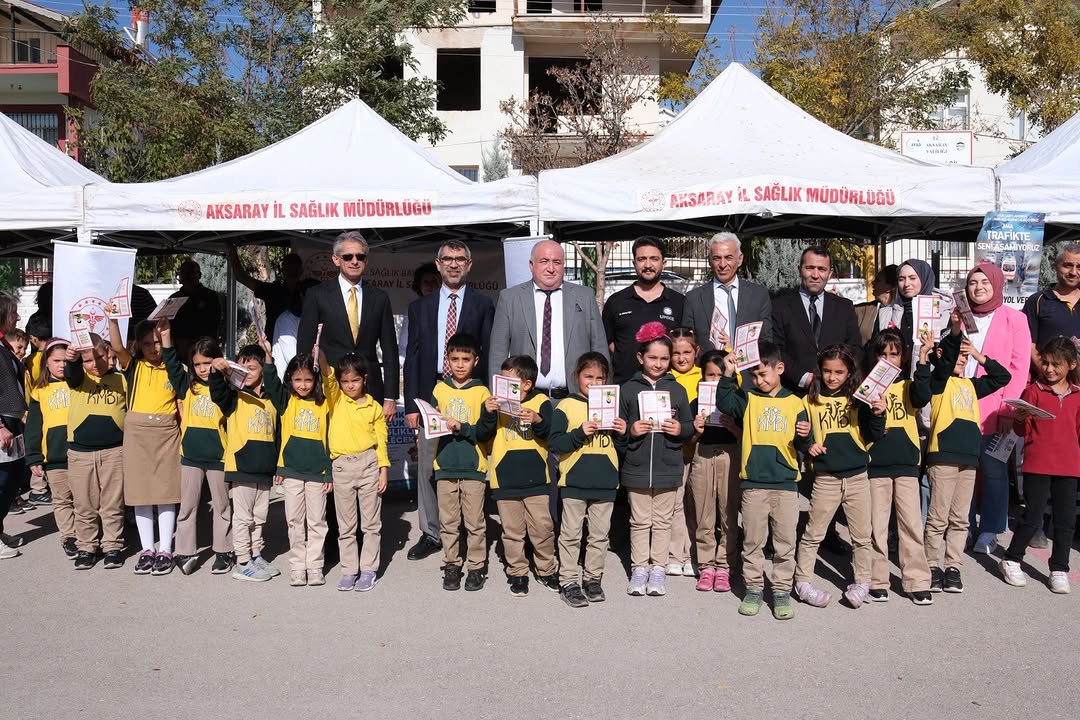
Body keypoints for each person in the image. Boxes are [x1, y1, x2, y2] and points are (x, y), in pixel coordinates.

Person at [403, 241, 494, 562]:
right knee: (428, 465)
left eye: (460, 260)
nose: (454, 265)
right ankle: (431, 532)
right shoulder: (420, 308)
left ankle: (471, 531)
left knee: (468, 464)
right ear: (438, 264)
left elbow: (489, 355)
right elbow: (412, 359)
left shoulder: (483, 306)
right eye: (447, 260)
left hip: (470, 396)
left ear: (469, 265)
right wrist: (412, 406)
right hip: (433, 396)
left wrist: (487, 401)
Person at [716, 341, 811, 620]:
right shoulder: (748, 398)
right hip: (754, 485)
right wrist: (728, 373)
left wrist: (805, 435)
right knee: (753, 541)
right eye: (753, 375)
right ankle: (754, 587)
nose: (758, 380)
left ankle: (781, 590)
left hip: (785, 485)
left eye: (762, 373)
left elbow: (805, 445)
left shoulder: (796, 403)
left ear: (779, 368)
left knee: (785, 542)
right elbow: (724, 402)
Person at [923, 311, 1010, 594]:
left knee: (961, 519)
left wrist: (977, 353)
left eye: (965, 356)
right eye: (958, 354)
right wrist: (956, 330)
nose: (962, 358)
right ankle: (932, 565)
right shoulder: (938, 382)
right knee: (938, 517)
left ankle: (953, 567)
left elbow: (1002, 376)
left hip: (968, 459)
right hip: (943, 456)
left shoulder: (972, 386)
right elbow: (946, 358)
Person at [793, 345, 885, 610]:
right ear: (820, 372)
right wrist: (808, 442)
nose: (833, 377)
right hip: (826, 477)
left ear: (849, 373)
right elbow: (800, 436)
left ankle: (862, 582)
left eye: (839, 372)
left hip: (858, 476)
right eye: (827, 372)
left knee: (862, 536)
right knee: (813, 534)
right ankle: (803, 582)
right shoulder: (808, 400)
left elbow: (874, 434)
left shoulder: (860, 398)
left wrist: (879, 413)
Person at [998, 336, 1080, 594]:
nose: (1049, 369)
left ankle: (1059, 568)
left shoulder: (1078, 396)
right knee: (1032, 517)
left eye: (1056, 364)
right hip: (1037, 464)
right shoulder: (1033, 391)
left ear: (1072, 365)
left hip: (1069, 466)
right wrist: (1020, 418)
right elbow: (1022, 432)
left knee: (1065, 520)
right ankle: (1011, 558)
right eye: (1045, 363)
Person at [619, 322, 694, 598]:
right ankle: (639, 568)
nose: (659, 363)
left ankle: (658, 569)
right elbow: (620, 427)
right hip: (636, 467)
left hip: (668, 466)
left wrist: (680, 429)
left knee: (662, 522)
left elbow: (687, 425)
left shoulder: (678, 390)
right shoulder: (628, 389)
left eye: (665, 358)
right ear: (640, 358)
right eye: (653, 357)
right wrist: (631, 429)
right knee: (639, 521)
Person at [960, 262, 1031, 555]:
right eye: (973, 283)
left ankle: (990, 529)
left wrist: (1006, 410)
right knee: (962, 470)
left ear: (997, 285)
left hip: (995, 410)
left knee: (993, 471)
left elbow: (1019, 367)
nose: (978, 288)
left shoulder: (1014, 320)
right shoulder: (960, 317)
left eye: (985, 283)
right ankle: (961, 526)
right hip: (961, 407)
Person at [549, 352, 626, 607]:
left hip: (605, 482)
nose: (594, 382)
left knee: (599, 536)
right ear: (576, 377)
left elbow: (621, 446)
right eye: (588, 376)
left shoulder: (611, 404)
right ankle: (568, 581)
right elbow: (555, 442)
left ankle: (593, 578)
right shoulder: (567, 406)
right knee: (570, 534)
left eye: (600, 378)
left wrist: (622, 432)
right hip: (574, 481)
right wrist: (579, 433)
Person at [298, 231, 398, 422]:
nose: (354, 261)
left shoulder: (380, 298)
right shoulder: (317, 295)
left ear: (366, 261)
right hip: (330, 388)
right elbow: (305, 345)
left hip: (370, 390)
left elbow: (390, 349)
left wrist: (390, 396)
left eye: (360, 257)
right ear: (336, 260)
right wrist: (307, 388)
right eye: (348, 257)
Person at [488, 239, 608, 397]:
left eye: (557, 262)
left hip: (574, 398)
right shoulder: (510, 298)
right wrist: (499, 396)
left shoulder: (584, 296)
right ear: (532, 265)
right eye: (544, 261)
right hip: (526, 399)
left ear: (563, 265)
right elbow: (498, 352)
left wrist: (604, 399)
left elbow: (599, 348)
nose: (551, 268)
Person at [866, 328, 934, 606]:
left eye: (894, 354)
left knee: (910, 525)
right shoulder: (866, 388)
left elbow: (922, 396)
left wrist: (923, 358)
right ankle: (876, 579)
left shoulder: (909, 384)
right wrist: (874, 410)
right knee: (876, 527)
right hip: (875, 466)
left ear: (903, 357)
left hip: (906, 464)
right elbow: (867, 431)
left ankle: (917, 581)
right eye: (882, 354)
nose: (888, 360)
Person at [109, 316, 181, 576]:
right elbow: (117, 347)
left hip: (166, 431)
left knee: (166, 492)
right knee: (140, 494)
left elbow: (181, 387)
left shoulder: (175, 367)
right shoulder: (133, 365)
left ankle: (166, 550)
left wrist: (168, 335)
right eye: (148, 343)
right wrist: (113, 319)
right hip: (137, 431)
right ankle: (147, 548)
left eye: (158, 343)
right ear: (139, 344)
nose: (154, 348)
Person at [481, 355, 557, 597]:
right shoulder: (494, 403)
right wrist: (489, 412)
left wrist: (537, 420)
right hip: (505, 476)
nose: (503, 385)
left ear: (526, 384)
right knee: (512, 531)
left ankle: (546, 569)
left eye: (509, 380)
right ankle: (518, 572)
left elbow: (550, 434)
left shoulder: (541, 401)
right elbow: (483, 434)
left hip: (536, 477)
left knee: (542, 527)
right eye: (501, 380)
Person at [427, 333, 496, 592]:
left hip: (473, 466)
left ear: (475, 361)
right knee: (448, 521)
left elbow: (483, 431)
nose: (459, 364)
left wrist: (461, 426)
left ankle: (477, 566)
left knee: (475, 521)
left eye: (465, 359)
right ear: (447, 360)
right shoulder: (439, 389)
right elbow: (431, 422)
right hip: (444, 464)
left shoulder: (482, 392)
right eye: (454, 359)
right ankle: (452, 564)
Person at [162, 335, 234, 576]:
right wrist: (165, 338)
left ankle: (223, 551)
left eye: (208, 362)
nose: (203, 369)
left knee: (222, 505)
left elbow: (226, 404)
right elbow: (172, 364)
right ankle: (185, 550)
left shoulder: (226, 387)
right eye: (198, 364)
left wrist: (219, 373)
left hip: (218, 456)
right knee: (188, 506)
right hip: (191, 456)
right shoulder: (187, 385)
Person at [209, 344, 280, 583]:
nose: (247, 372)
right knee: (243, 517)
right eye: (242, 367)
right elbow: (217, 393)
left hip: (265, 468)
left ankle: (256, 554)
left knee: (259, 517)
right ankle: (242, 561)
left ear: (263, 369)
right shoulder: (234, 396)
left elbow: (278, 434)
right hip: (241, 466)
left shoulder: (272, 398)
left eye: (252, 367)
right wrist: (216, 371)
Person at [321, 352, 390, 593]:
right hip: (341, 467)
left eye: (355, 380)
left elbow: (381, 440)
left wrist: (383, 471)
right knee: (346, 525)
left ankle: (369, 569)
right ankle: (349, 569)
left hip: (369, 464)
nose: (350, 386)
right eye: (345, 381)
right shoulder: (335, 400)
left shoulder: (375, 407)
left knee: (371, 523)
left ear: (364, 379)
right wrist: (319, 352)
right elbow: (326, 374)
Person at [264, 348, 332, 588]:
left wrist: (329, 472)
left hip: (317, 473)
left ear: (315, 380)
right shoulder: (286, 401)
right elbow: (270, 383)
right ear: (290, 379)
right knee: (294, 520)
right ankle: (297, 566)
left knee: (317, 521)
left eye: (308, 380)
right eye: (297, 379)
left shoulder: (325, 404)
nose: (303, 385)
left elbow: (329, 440)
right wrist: (268, 359)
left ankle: (314, 566)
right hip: (290, 471)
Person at [63, 335, 128, 570]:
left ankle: (112, 546)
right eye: (88, 360)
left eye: (100, 356)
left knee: (112, 503)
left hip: (114, 451)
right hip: (80, 454)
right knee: (84, 504)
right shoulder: (78, 379)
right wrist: (71, 360)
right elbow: (71, 373)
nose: (95, 363)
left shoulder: (121, 380)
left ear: (107, 352)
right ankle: (87, 546)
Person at [773, 246, 863, 394]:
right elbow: (776, 349)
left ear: (830, 273)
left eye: (821, 269)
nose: (815, 275)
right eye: (810, 268)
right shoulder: (779, 306)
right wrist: (803, 378)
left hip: (836, 396)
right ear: (800, 269)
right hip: (794, 393)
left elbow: (856, 349)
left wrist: (840, 376)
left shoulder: (844, 307)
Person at [689, 349, 742, 593]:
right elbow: (688, 441)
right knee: (704, 513)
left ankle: (725, 564)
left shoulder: (736, 402)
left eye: (720, 375)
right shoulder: (695, 401)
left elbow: (747, 438)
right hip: (703, 455)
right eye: (710, 375)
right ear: (702, 377)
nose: (714, 380)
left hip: (730, 454)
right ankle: (706, 565)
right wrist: (696, 430)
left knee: (728, 512)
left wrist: (734, 428)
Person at [602, 236, 685, 384]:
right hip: (625, 386)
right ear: (634, 263)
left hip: (666, 388)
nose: (648, 264)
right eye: (642, 259)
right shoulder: (616, 301)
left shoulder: (679, 302)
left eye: (654, 258)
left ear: (663, 263)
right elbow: (609, 342)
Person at [25, 339, 76, 559]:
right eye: (56, 361)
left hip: (80, 452)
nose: (61, 365)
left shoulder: (79, 383)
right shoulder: (40, 390)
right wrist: (34, 457)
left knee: (84, 499)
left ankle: (87, 535)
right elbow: (34, 427)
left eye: (65, 361)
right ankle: (69, 537)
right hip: (54, 456)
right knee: (62, 500)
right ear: (46, 362)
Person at [683, 232, 773, 354]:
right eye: (717, 258)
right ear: (709, 261)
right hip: (710, 370)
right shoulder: (694, 298)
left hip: (748, 371)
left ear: (739, 259)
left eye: (728, 257)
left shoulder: (758, 295)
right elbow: (688, 344)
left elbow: (766, 339)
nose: (723, 265)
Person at [875, 258, 954, 374]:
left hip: (927, 383)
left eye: (912, 278)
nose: (907, 284)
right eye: (902, 279)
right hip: (893, 383)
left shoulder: (943, 314)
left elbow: (948, 356)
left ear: (924, 278)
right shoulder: (885, 312)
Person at [666, 326, 700, 577]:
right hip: (674, 449)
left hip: (700, 448)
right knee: (676, 502)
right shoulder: (665, 377)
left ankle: (695, 554)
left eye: (687, 352)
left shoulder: (705, 375)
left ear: (696, 351)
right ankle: (677, 554)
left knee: (697, 503)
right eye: (675, 353)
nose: (681, 358)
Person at [229, 245, 316, 342]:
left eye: (293, 269)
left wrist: (231, 249)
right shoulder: (274, 290)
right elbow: (241, 277)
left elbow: (241, 277)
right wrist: (231, 249)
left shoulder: (309, 288)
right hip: (278, 344)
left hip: (296, 343)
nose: (292, 272)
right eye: (290, 269)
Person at [0, 292, 28, 559]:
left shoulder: (3, 346)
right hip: (3, 421)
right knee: (3, 479)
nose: (17, 317)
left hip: (12, 418)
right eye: (12, 313)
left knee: (14, 477)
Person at [1024, 243, 1080, 371]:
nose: (1073, 272)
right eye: (1068, 265)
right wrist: (1047, 372)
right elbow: (1029, 344)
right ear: (1056, 266)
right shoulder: (1038, 301)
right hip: (1049, 383)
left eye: (1079, 267)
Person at [168, 260, 222, 360]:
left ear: (199, 275)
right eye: (184, 273)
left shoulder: (210, 296)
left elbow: (215, 323)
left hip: (206, 349)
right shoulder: (173, 299)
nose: (188, 277)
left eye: (191, 273)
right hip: (181, 351)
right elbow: (170, 327)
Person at [854, 264, 897, 345]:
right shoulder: (863, 310)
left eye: (878, 280)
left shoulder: (901, 311)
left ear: (890, 287)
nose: (873, 282)